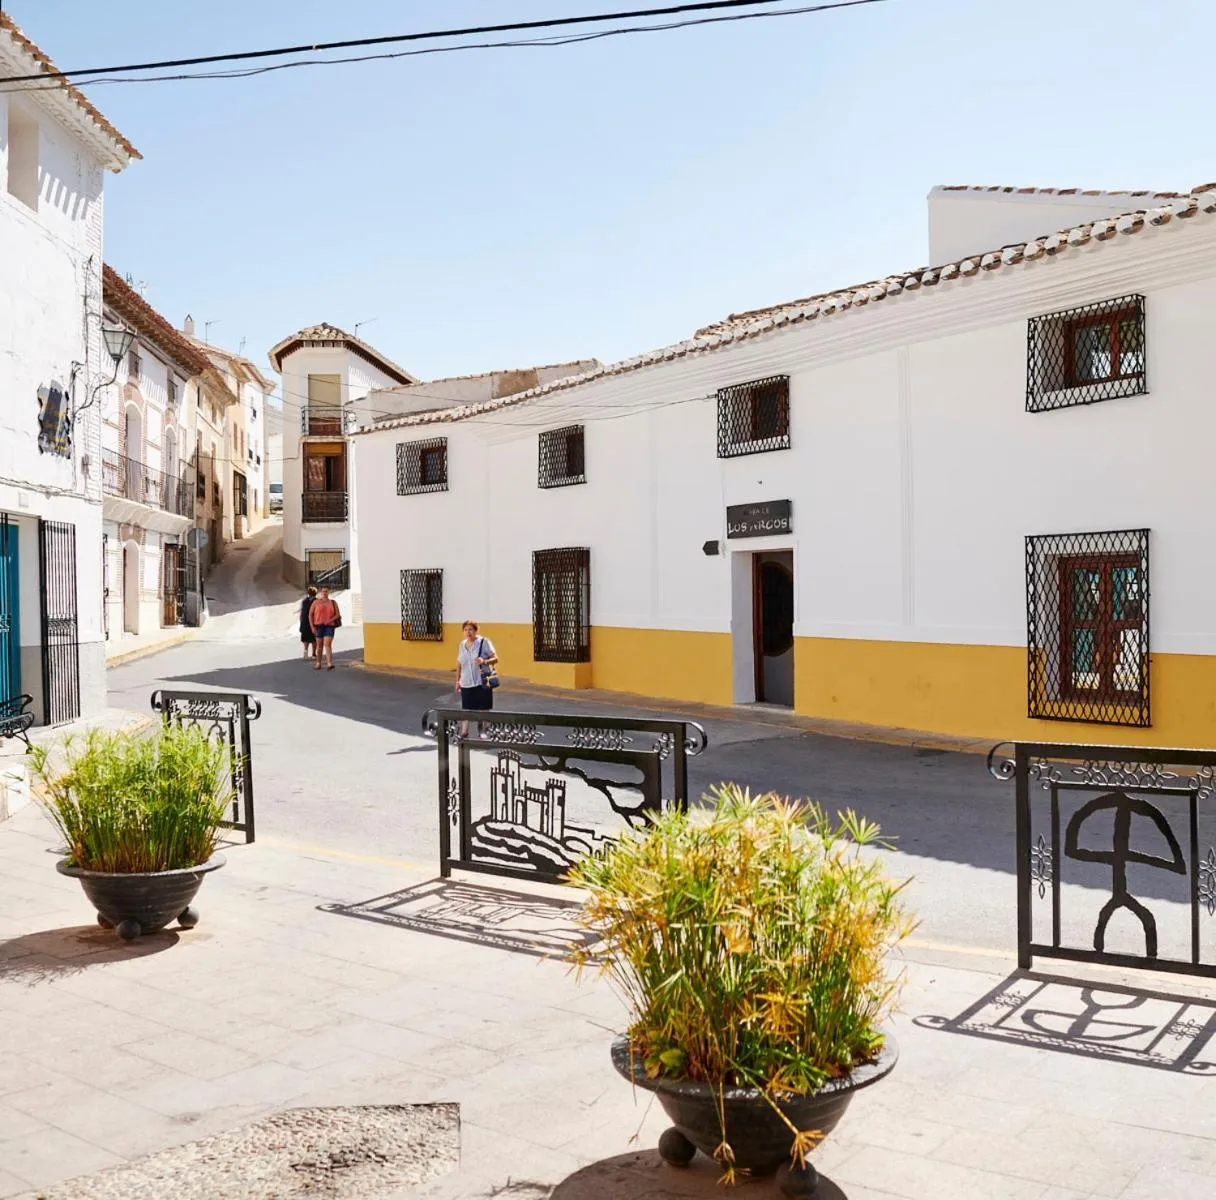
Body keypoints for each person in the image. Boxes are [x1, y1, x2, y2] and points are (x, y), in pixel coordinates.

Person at [455, 618, 498, 737]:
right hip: (466, 681)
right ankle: (464, 732)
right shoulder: (462, 644)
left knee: (483, 709)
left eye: (471, 629)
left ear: (476, 630)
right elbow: (459, 663)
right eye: (465, 630)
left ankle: (483, 732)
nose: (468, 632)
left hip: (482, 681)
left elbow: (496, 658)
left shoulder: (484, 642)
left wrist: (484, 661)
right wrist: (457, 680)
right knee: (466, 708)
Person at [309, 586, 341, 671]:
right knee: (319, 646)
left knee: (328, 644)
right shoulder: (316, 602)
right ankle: (318, 663)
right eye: (323, 591)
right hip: (318, 626)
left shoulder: (333, 602)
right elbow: (310, 615)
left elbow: (337, 614)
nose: (325, 593)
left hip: (329, 626)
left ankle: (329, 663)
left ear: (328, 592)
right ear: (320, 593)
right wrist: (312, 627)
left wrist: (329, 620)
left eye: (326, 591)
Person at [299, 586, 317, 660]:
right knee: (314, 639)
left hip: (304, 622)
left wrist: (301, 623)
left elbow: (301, 613)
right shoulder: (316, 601)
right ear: (315, 593)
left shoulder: (304, 601)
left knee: (305, 638)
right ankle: (313, 654)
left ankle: (305, 652)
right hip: (313, 622)